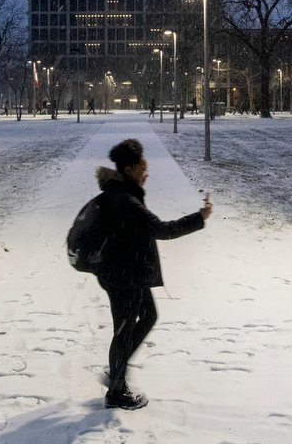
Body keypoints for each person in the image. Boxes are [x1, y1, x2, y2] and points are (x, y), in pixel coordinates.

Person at [90, 138, 212, 410]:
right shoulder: (126, 200)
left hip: (127, 272)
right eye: (143, 168)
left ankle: (117, 369)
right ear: (130, 169)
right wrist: (199, 218)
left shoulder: (123, 193)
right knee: (123, 331)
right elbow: (162, 229)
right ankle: (116, 391)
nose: (147, 173)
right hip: (123, 276)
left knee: (148, 316)